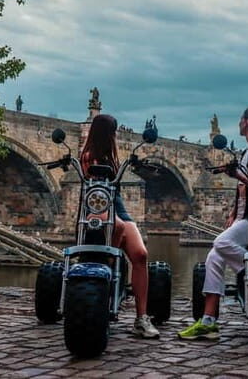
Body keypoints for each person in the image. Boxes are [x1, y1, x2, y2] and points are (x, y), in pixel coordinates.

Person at [178, 106, 248, 340]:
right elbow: (242, 190)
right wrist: (233, 212)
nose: (239, 123)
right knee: (213, 257)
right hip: (242, 217)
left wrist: (237, 175)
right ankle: (209, 321)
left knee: (220, 243)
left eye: (241, 119)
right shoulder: (246, 153)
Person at [80, 114, 160, 338]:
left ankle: (141, 318)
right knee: (118, 227)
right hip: (97, 205)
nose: (116, 135)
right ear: (107, 133)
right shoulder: (88, 156)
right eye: (114, 132)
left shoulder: (112, 157)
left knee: (140, 254)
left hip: (118, 206)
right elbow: (93, 187)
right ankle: (104, 280)